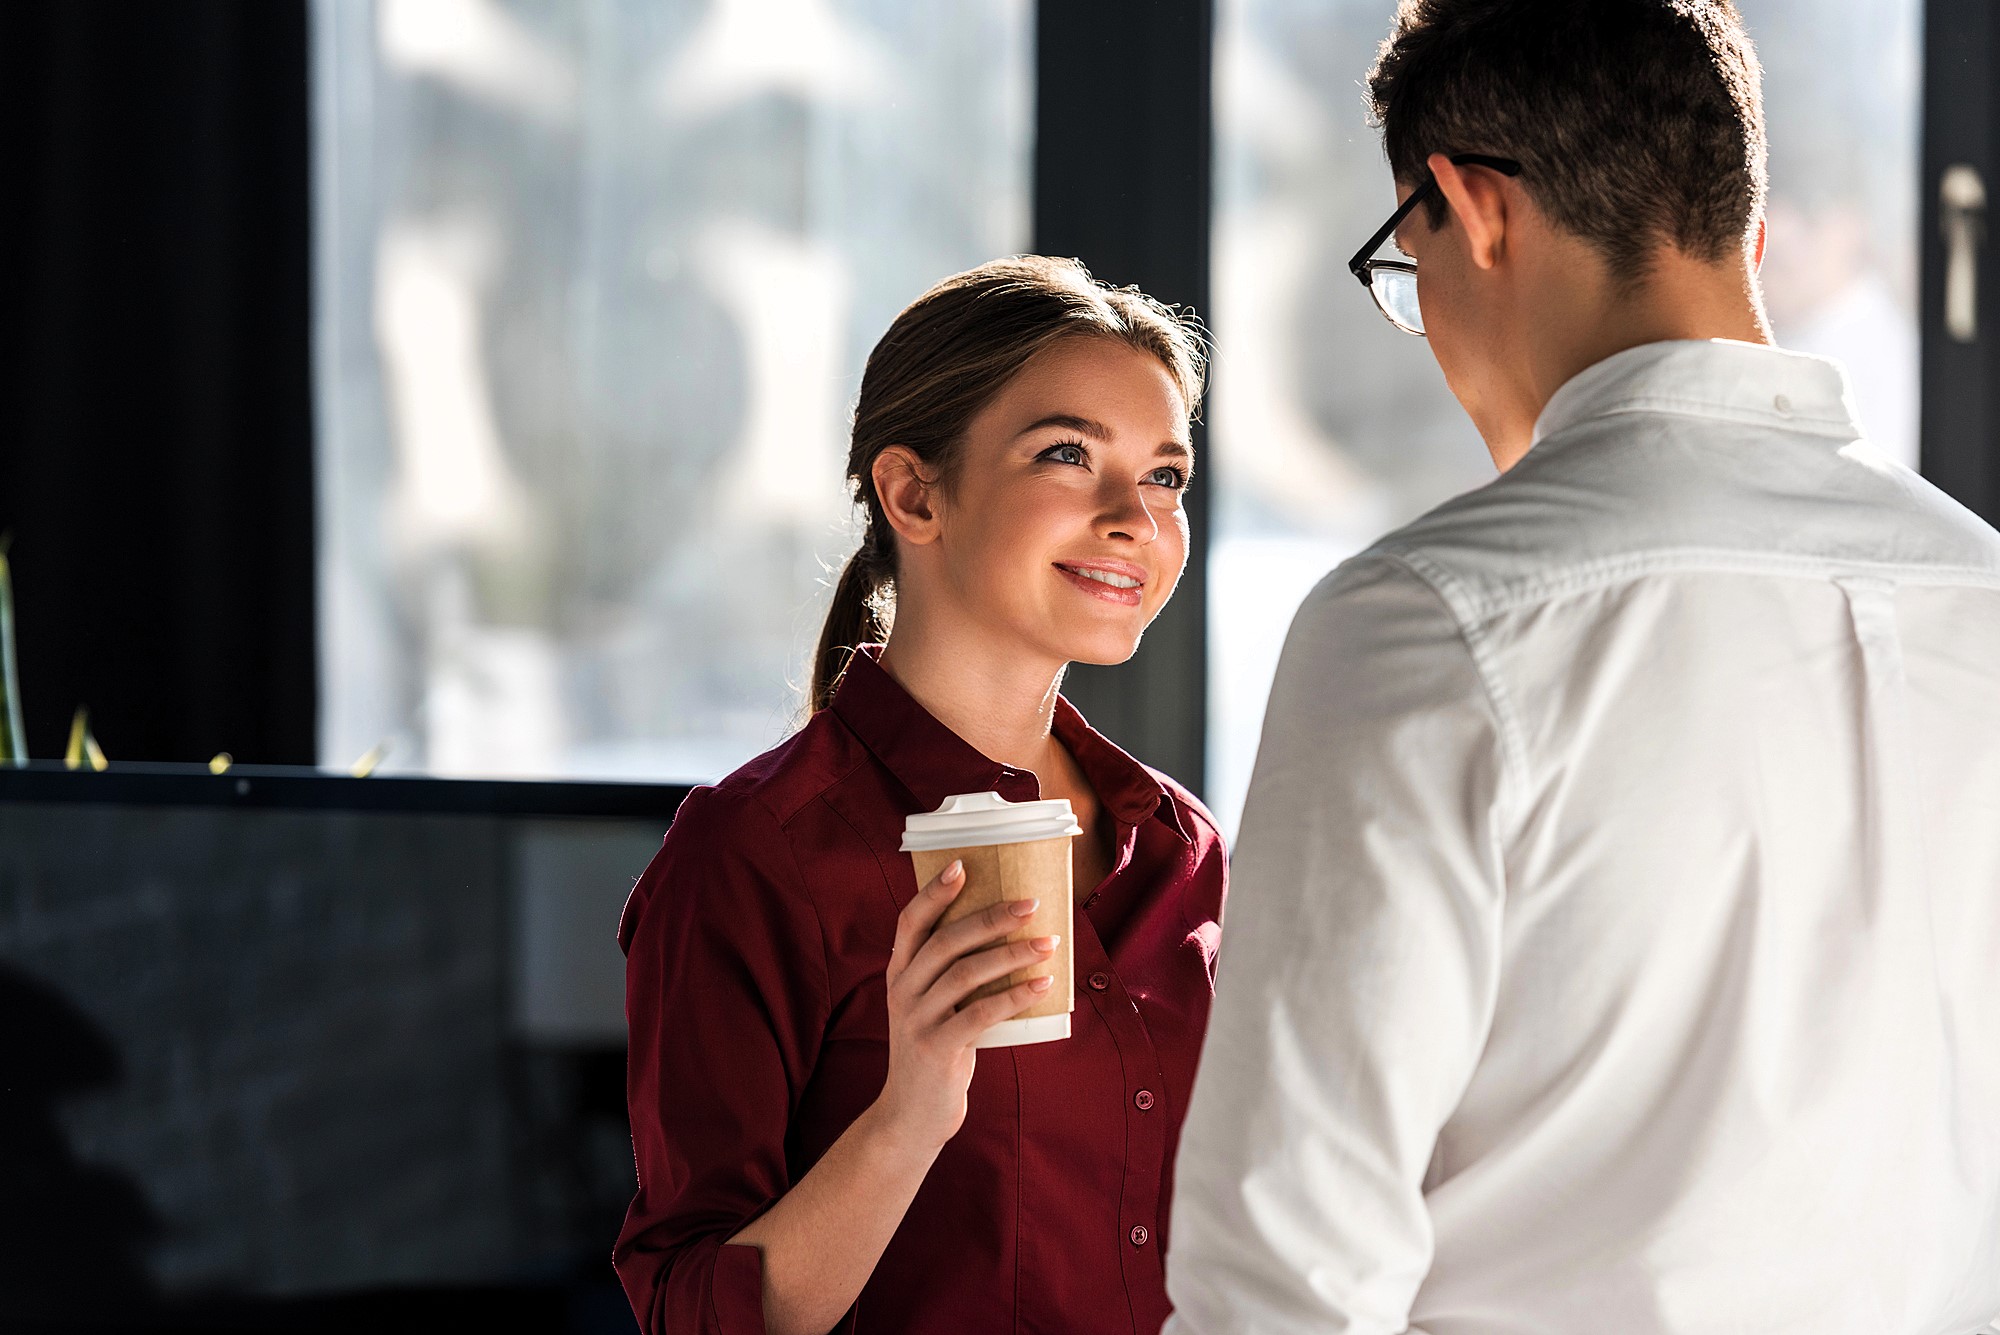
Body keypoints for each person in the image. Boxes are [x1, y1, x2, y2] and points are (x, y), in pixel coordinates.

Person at [1165, 3, 2000, 1333]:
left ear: (1474, 211)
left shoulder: (1428, 619)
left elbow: (1282, 1276)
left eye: (1404, 265)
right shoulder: (1982, 593)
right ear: (1748, 237)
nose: (1423, 326)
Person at [616, 256, 1227, 1335]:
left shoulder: (1183, 852)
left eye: (1166, 475)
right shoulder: (758, 853)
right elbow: (688, 1314)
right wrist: (911, 1111)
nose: (1134, 516)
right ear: (913, 492)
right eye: (1067, 455)